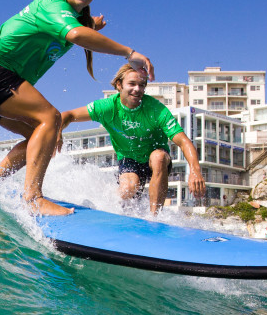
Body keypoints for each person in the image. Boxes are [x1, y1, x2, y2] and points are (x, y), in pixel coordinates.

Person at [0, 0, 153, 216]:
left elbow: (81, 28)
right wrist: (129, 53)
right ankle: (33, 199)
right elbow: (75, 34)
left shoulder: (73, 16)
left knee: (41, 138)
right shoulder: (53, 4)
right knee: (50, 119)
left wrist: (93, 24)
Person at [60, 65, 205, 214]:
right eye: (132, 84)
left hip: (155, 159)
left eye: (142, 85)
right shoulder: (108, 107)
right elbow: (68, 115)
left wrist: (195, 171)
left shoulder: (156, 109)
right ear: (119, 85)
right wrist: (57, 132)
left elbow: (183, 141)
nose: (137, 89)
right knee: (128, 189)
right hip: (129, 158)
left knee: (159, 157)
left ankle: (155, 218)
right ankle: (122, 215)